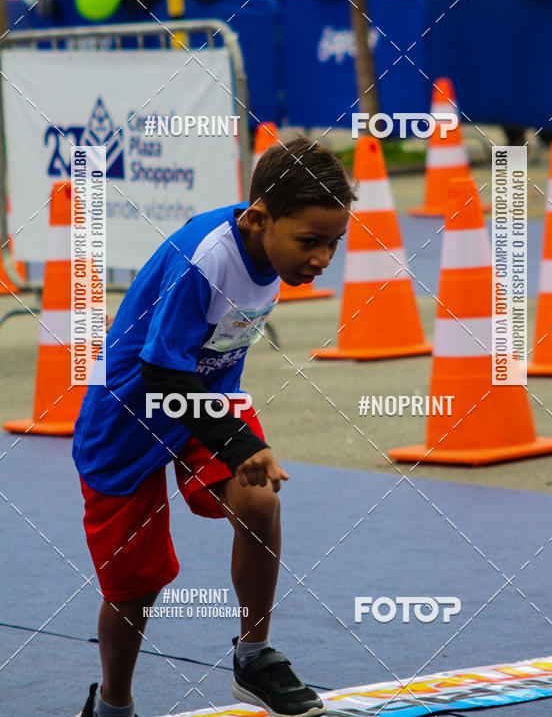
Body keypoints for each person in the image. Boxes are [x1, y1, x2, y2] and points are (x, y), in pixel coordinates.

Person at [73, 135, 357, 717]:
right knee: (135, 585)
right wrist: (239, 440)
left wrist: (236, 439)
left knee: (259, 499)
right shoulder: (206, 257)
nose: (323, 259)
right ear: (259, 218)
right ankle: (113, 705)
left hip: (205, 397)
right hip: (129, 416)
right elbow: (159, 372)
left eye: (335, 242)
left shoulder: (273, 250)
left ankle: (254, 659)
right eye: (310, 242)